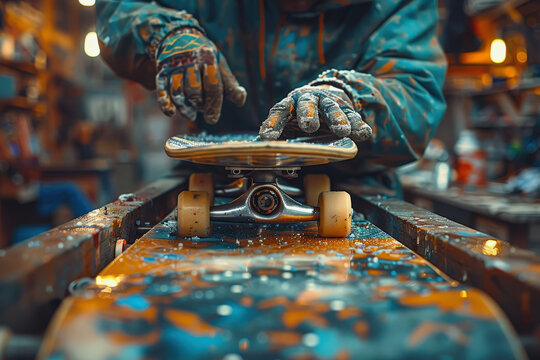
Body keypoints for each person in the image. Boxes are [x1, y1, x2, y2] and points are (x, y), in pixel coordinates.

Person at [96, 0, 446, 191]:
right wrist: (167, 35)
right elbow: (119, 8)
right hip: (211, 182)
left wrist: (347, 97)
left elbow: (414, 94)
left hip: (349, 190)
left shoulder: (398, 5)